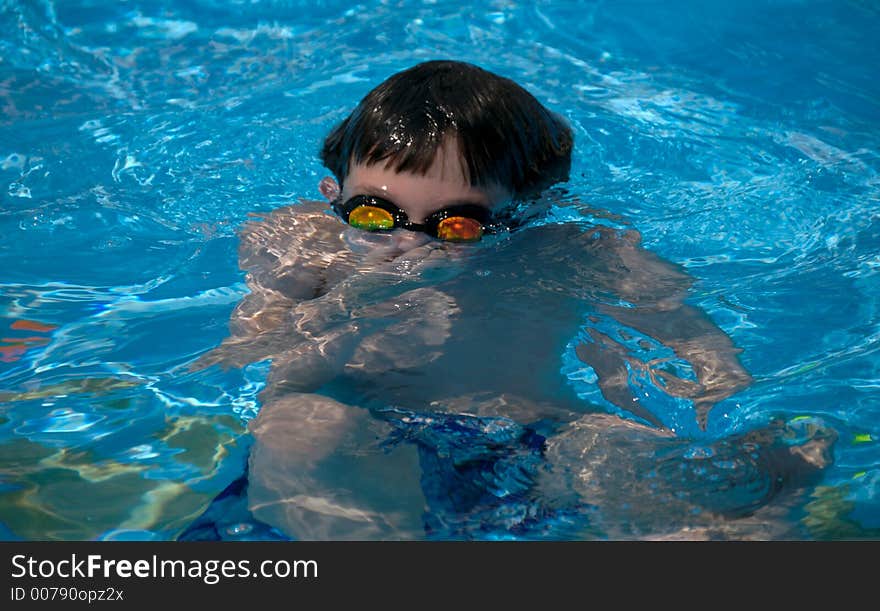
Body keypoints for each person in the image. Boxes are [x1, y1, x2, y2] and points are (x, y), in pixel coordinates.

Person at [190, 60, 834, 540]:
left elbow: (673, 312)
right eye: (376, 214)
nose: (409, 245)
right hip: (366, 421)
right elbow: (267, 350)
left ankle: (752, 503)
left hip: (534, 433)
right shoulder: (299, 240)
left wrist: (715, 369)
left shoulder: (569, 250)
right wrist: (347, 305)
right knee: (298, 431)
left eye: (456, 226)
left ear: (524, 213)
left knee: (622, 464)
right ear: (334, 192)